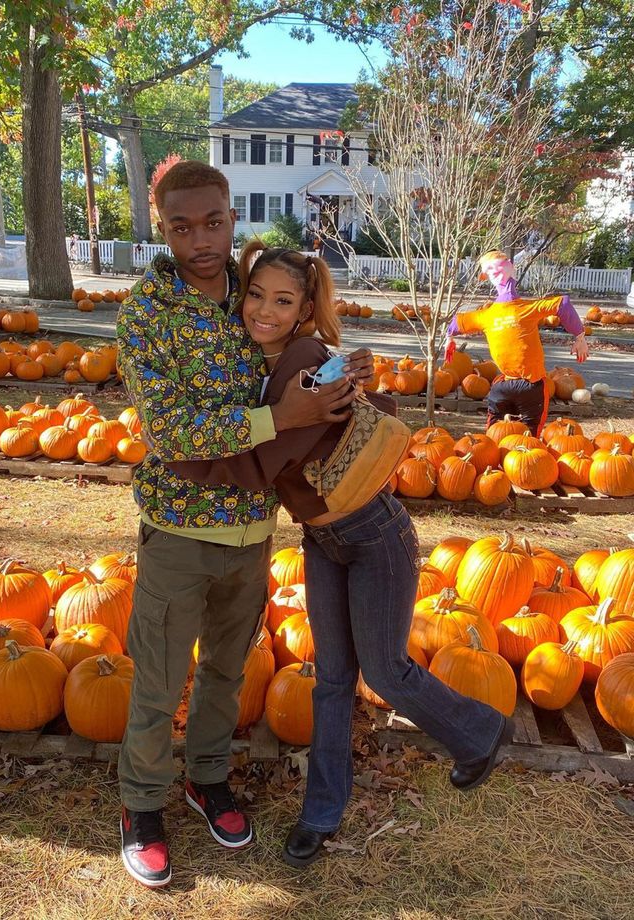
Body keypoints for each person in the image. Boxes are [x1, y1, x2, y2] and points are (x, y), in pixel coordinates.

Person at [170, 240, 514, 870]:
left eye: (282, 300)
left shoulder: (300, 361)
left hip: (374, 535)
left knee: (384, 672)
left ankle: (483, 732)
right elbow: (358, 412)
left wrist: (176, 450)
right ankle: (320, 816)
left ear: (303, 309)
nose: (263, 310)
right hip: (325, 539)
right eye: (254, 295)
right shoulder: (270, 361)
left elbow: (258, 467)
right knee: (331, 681)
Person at [116, 160, 374, 889]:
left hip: (253, 530)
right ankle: (141, 805)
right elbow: (169, 430)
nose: (199, 239)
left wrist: (345, 376)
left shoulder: (259, 294)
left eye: (213, 222)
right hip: (179, 529)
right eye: (180, 226)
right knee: (161, 679)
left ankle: (206, 778)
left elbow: (306, 362)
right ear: (160, 226)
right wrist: (276, 418)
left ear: (233, 217)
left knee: (228, 672)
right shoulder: (147, 315)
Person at [445, 250, 589, 435]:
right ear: (511, 269)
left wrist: (450, 337)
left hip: (506, 387)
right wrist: (579, 336)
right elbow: (563, 304)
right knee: (527, 439)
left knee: (496, 434)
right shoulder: (524, 309)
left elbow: (457, 322)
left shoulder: (486, 315)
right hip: (530, 386)